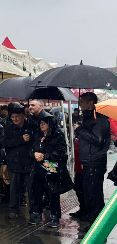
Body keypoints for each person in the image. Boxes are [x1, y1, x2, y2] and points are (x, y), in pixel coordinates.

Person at [73, 92, 110, 222]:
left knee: (94, 192)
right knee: (87, 190)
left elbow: (98, 140)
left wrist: (80, 130)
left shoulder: (99, 119)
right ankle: (90, 214)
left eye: (82, 102)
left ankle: (96, 218)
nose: (80, 104)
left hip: (95, 161)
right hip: (88, 161)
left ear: (90, 103)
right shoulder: (89, 118)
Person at [29, 113, 69, 227]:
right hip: (38, 169)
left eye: (44, 123)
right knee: (37, 192)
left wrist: (45, 155)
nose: (41, 125)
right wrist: (34, 154)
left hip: (51, 170)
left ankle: (54, 217)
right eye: (40, 123)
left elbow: (60, 152)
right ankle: (37, 214)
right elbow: (31, 150)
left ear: (50, 124)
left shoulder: (58, 136)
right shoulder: (38, 135)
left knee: (52, 193)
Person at [2, 104, 34, 219]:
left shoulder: (31, 126)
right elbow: (5, 143)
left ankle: (33, 210)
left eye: (17, 116)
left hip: (28, 162)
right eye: (12, 117)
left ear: (23, 116)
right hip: (14, 162)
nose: (14, 119)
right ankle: (13, 209)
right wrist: (21, 139)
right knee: (14, 188)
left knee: (30, 188)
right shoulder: (8, 128)